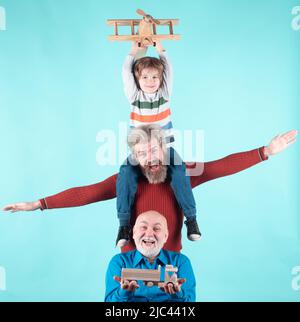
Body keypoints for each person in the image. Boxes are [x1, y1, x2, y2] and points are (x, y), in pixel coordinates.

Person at [2, 126, 297, 253]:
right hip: (132, 260)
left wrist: (266, 151)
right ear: (135, 157)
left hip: (171, 260)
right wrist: (37, 204)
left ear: (164, 150)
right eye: (143, 154)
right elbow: (86, 193)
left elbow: (221, 166)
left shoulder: (184, 173)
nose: (150, 158)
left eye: (155, 151)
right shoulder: (126, 180)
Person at [116, 41, 201, 248]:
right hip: (142, 153)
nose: (150, 81)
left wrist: (160, 49)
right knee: (125, 173)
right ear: (138, 79)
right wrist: (133, 52)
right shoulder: (134, 97)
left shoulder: (164, 95)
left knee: (180, 170)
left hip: (164, 151)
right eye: (145, 77)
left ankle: (191, 219)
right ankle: (124, 225)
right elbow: (126, 72)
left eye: (155, 77)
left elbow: (169, 70)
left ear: (161, 79)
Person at [105, 210, 196, 302]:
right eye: (143, 227)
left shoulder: (181, 262)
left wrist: (177, 294)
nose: (149, 234)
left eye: (156, 228)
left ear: (165, 236)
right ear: (134, 233)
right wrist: (123, 293)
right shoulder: (119, 262)